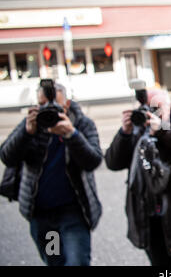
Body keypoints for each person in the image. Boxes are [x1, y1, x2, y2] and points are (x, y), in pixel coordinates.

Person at [105, 88, 171, 266]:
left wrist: (163, 131)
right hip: (151, 221)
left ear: (169, 106)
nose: (153, 112)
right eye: (149, 107)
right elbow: (112, 162)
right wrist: (125, 133)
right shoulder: (138, 128)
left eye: (158, 107)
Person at [0, 82, 103, 266]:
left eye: (56, 107)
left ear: (68, 104)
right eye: (43, 105)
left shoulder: (81, 123)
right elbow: (7, 157)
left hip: (73, 214)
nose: (49, 111)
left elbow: (93, 161)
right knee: (55, 261)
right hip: (43, 218)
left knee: (77, 261)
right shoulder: (32, 124)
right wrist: (26, 133)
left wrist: (72, 135)